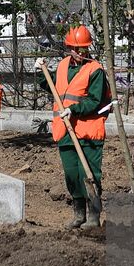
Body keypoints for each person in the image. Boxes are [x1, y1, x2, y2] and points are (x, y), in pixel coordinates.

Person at [48, 25, 111, 230]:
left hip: (88, 132)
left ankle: (93, 216)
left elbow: (94, 101)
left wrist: (74, 110)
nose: (80, 52)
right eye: (76, 48)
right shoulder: (63, 66)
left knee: (90, 173)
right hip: (65, 131)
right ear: (69, 47)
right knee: (72, 174)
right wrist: (41, 71)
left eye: (83, 48)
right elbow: (52, 86)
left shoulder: (95, 70)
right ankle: (78, 214)